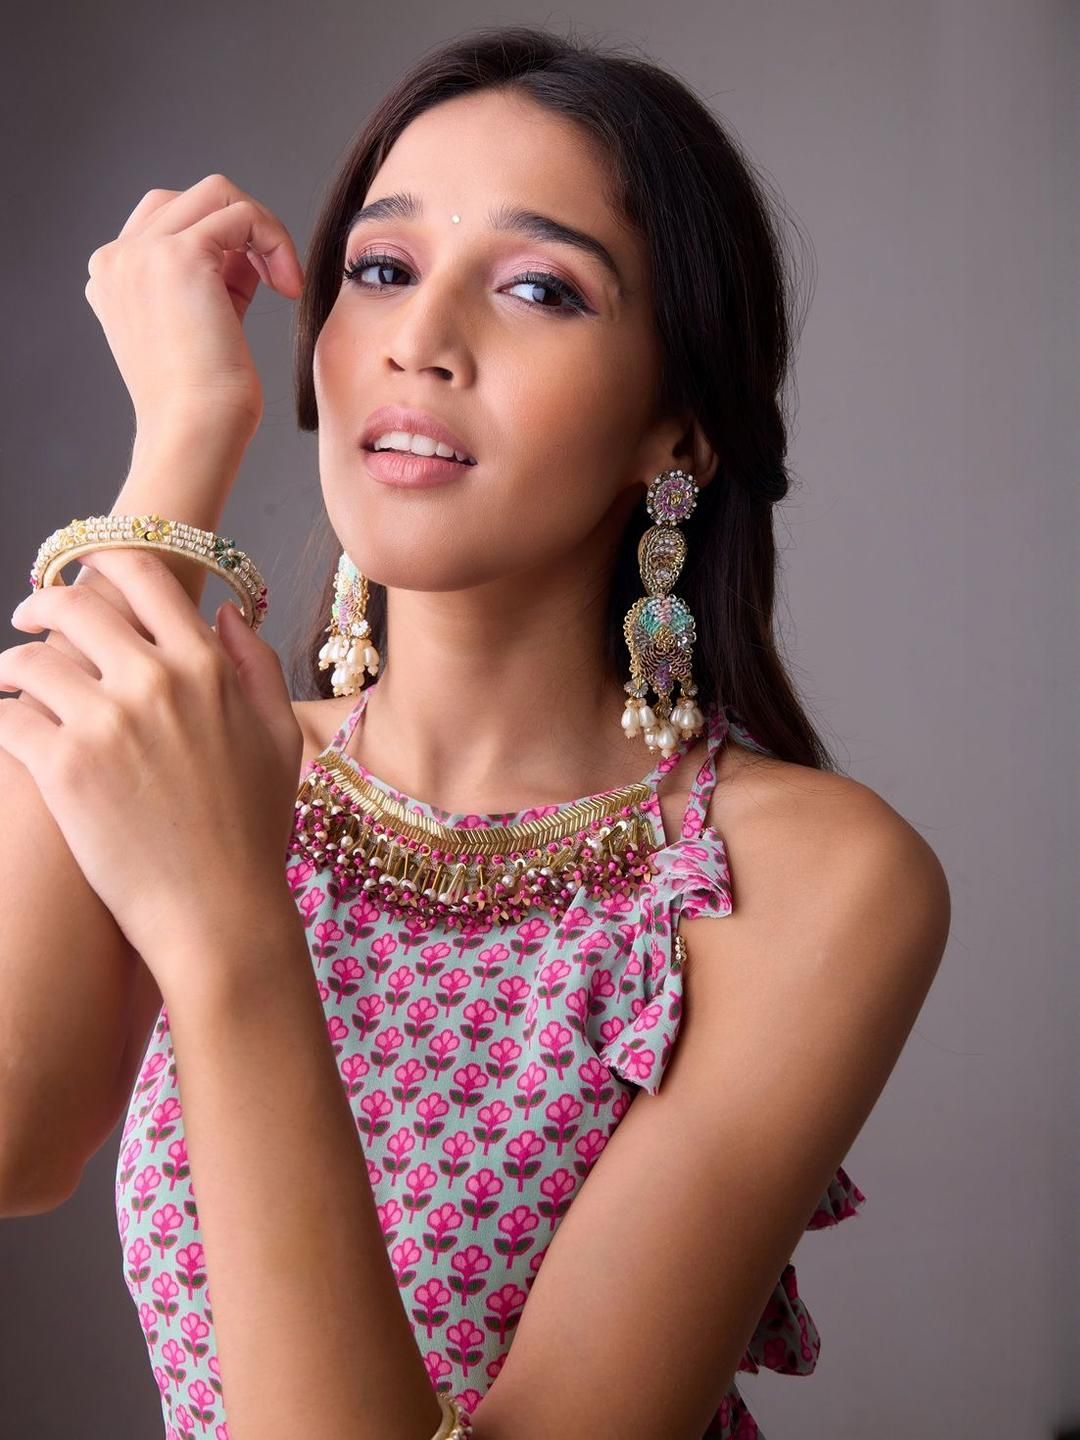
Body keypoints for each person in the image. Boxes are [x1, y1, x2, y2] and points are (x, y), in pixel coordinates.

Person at [0, 24, 950, 1440]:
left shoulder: (810, 880)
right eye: (381, 270)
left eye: (538, 289)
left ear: (678, 432)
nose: (419, 341)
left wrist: (227, 928)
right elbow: (14, 1138)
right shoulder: (204, 763)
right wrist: (184, 433)